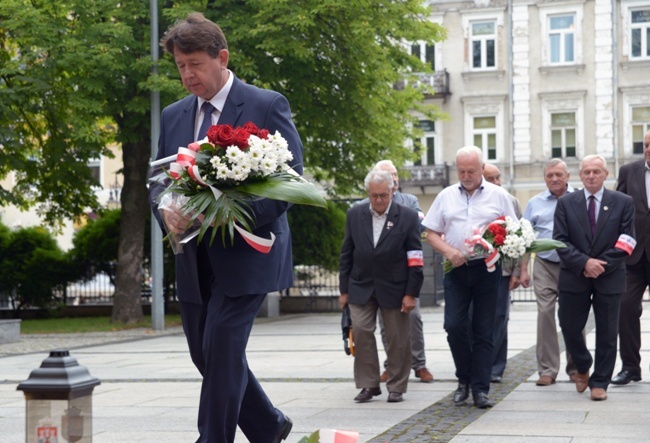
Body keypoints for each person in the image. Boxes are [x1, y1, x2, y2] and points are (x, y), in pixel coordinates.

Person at [148, 13, 301, 442]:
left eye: (195, 63)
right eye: (180, 66)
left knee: (222, 346)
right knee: (206, 354)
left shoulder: (265, 105)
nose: (187, 75)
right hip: (193, 257)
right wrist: (166, 210)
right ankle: (269, 426)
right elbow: (159, 179)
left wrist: (228, 215)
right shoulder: (175, 114)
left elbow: (290, 182)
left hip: (248, 253)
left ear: (222, 57)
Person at [422, 146, 517, 409]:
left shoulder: (499, 196)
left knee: (485, 330)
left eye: (471, 171)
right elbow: (429, 234)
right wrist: (450, 251)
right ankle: (463, 378)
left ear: (482, 169)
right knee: (454, 326)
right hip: (456, 270)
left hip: (487, 270)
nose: (465, 176)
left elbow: (515, 232)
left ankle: (480, 389)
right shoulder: (445, 196)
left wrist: (516, 265)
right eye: (461, 171)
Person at [554, 155, 635, 401]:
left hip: (609, 276)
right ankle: (582, 363)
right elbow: (560, 240)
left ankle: (600, 382)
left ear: (606, 174)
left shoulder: (623, 201)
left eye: (596, 171)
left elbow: (628, 240)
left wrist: (602, 264)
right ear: (579, 175)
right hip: (574, 275)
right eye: (586, 171)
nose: (591, 176)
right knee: (568, 325)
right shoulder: (566, 203)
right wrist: (584, 263)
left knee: (608, 332)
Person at [339, 169, 424, 404]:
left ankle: (396, 385)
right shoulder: (355, 214)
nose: (378, 200)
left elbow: (415, 257)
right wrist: (343, 290)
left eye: (383, 195)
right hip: (360, 285)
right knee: (363, 331)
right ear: (368, 193)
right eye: (374, 196)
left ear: (392, 191)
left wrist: (411, 293)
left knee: (398, 337)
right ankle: (369, 384)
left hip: (396, 287)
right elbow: (347, 253)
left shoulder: (407, 216)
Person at [357, 160, 433, 384]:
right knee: (385, 322)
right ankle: (391, 366)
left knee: (413, 317)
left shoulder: (409, 201)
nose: (395, 178)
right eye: (390, 174)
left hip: (406, 271)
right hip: (379, 276)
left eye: (396, 174)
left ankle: (419, 364)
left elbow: (420, 226)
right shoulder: (364, 205)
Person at [522, 159, 578, 387]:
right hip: (544, 264)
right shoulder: (534, 203)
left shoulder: (579, 199)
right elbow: (524, 238)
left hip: (572, 266)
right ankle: (547, 369)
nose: (554, 179)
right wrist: (523, 268)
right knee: (545, 312)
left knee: (574, 316)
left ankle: (577, 368)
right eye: (549, 176)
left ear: (567, 176)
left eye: (558, 175)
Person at [482, 163, 528, 383]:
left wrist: (518, 271)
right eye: (491, 179)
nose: (497, 183)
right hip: (477, 270)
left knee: (500, 317)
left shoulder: (511, 201)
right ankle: (478, 362)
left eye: (498, 177)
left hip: (503, 271)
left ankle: (496, 367)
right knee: (476, 317)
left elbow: (521, 239)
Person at [611, 130, 650, 385]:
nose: (648, 149)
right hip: (634, 257)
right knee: (624, 307)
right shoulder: (628, 171)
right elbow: (616, 209)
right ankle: (630, 367)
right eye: (646, 145)